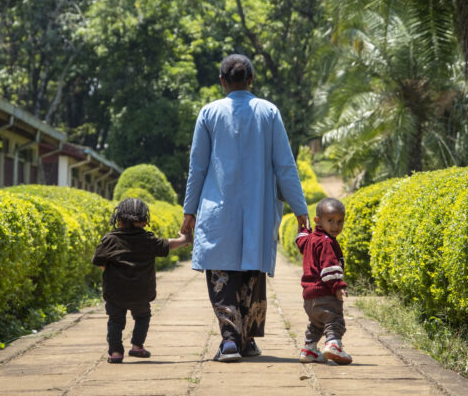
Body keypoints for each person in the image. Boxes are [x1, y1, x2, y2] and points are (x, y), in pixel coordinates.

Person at [181, 53, 310, 362]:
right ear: (251, 79)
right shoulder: (269, 112)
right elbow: (285, 166)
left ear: (222, 82)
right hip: (258, 210)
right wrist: (301, 208)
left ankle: (230, 340)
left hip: (218, 209)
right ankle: (247, 340)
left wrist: (189, 211)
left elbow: (197, 168)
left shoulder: (209, 113)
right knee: (252, 274)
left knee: (222, 273)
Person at [92, 198, 189, 364]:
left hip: (115, 292)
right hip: (141, 292)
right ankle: (137, 346)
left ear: (119, 221)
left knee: (115, 321)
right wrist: (184, 239)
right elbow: (168, 244)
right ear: (144, 222)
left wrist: (112, 273)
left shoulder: (110, 239)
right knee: (143, 317)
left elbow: (99, 261)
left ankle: (115, 352)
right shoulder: (148, 240)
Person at [296, 197, 353, 365]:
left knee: (317, 323)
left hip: (309, 299)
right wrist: (337, 286)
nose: (335, 226)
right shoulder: (326, 241)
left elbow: (300, 241)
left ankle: (309, 349)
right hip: (325, 294)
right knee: (334, 320)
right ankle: (334, 344)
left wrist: (303, 228)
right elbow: (329, 266)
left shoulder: (311, 238)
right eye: (330, 221)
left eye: (339, 221)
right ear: (318, 220)